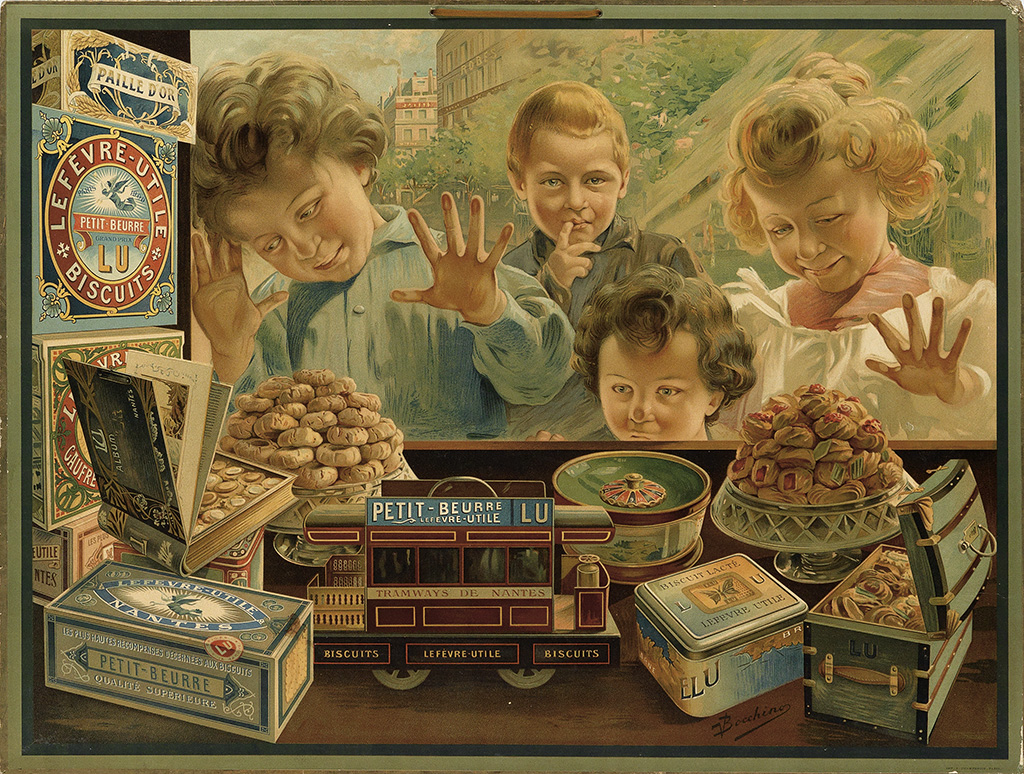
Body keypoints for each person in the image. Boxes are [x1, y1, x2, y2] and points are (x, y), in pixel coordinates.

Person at [189, 52, 574, 441]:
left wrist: (488, 310)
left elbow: (542, 381)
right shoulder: (273, 306)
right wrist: (232, 352)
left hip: (452, 492)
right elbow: (257, 433)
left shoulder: (459, 267)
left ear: (359, 164)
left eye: (308, 211)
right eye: (272, 243)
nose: (304, 248)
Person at [719, 52, 996, 440]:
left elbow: (995, 417)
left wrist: (950, 388)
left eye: (829, 219)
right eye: (780, 229)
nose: (808, 248)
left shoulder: (950, 307)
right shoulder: (762, 322)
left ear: (889, 187)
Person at [502, 80, 708, 439]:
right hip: (538, 445)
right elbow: (504, 371)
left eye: (595, 180)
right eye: (553, 182)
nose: (576, 201)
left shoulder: (662, 256)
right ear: (520, 183)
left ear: (623, 181)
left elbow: (706, 361)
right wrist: (550, 286)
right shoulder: (509, 271)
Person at [539, 264, 755, 442]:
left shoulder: (741, 470)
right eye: (622, 388)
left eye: (667, 391)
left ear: (713, 400)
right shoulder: (583, 470)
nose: (639, 413)